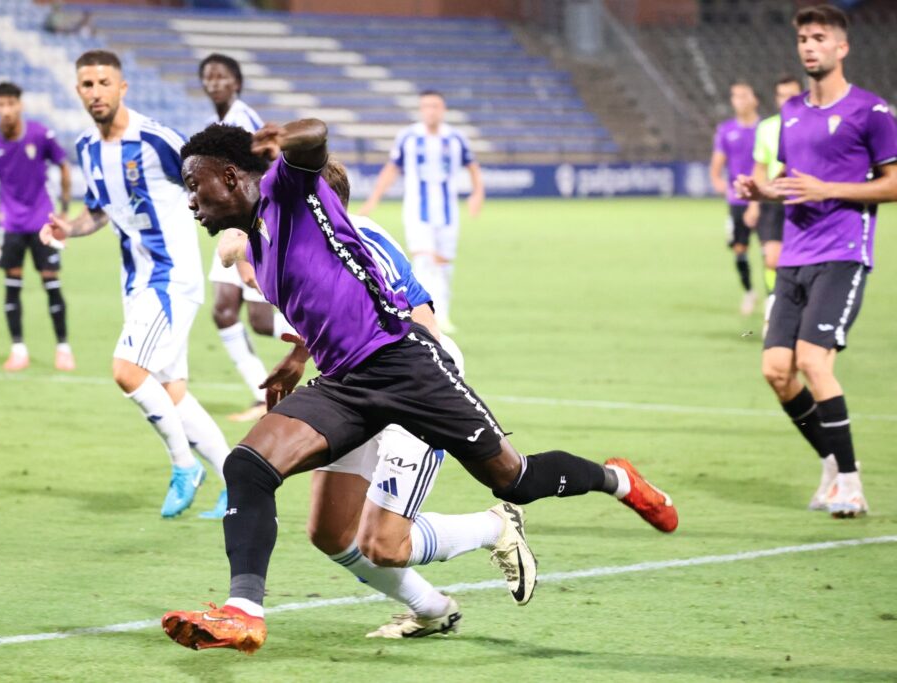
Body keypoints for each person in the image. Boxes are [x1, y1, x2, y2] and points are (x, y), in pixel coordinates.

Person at [160, 120, 678, 655]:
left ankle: (618, 480)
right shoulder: (262, 244)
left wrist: (286, 139)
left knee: (514, 480)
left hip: (405, 366)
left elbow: (314, 137)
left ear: (231, 176)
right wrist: (297, 359)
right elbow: (329, 297)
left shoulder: (287, 190)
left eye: (194, 186)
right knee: (249, 466)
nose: (191, 202)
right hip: (345, 383)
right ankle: (244, 613)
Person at [217, 156, 537, 638]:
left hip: (412, 387)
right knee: (330, 532)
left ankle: (496, 526)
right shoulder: (301, 245)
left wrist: (235, 240)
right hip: (353, 387)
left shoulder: (359, 238)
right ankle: (433, 609)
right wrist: (300, 356)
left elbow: (417, 321)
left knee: (385, 544)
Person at [38, 50, 232, 518]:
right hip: (136, 282)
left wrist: (235, 235)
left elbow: (213, 181)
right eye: (88, 84)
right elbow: (98, 212)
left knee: (127, 370)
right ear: (78, 90)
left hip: (171, 277)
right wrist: (69, 227)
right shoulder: (87, 147)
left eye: (104, 83)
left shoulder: (155, 139)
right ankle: (237, 483)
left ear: (122, 87)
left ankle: (184, 466)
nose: (96, 92)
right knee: (171, 390)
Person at [735, 4, 897, 518]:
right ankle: (831, 464)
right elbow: (792, 181)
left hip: (843, 253)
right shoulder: (792, 113)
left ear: (841, 47)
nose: (809, 45)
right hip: (795, 257)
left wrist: (829, 188)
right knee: (776, 371)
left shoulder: (872, 112)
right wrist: (763, 190)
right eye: (804, 38)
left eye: (819, 37)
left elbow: (893, 182)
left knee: (811, 360)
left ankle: (851, 484)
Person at [197, 53, 281, 427]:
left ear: (237, 83)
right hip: (233, 224)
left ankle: (318, 338)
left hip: (250, 225)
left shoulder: (242, 122)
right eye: (208, 76)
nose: (214, 82)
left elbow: (258, 178)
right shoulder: (224, 121)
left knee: (260, 320)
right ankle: (262, 396)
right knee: (224, 310)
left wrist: (248, 234)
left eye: (222, 76)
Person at [360, 90, 484, 334]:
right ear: (421, 110)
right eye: (426, 106)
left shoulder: (456, 138)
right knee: (424, 260)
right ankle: (425, 316)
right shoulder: (408, 137)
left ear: (443, 109)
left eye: (435, 106)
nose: (431, 111)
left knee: (444, 264)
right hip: (417, 211)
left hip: (448, 212)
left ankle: (443, 314)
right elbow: (391, 169)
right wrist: (373, 199)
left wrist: (477, 193)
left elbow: (472, 166)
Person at [0, 81, 73, 372]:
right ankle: (18, 350)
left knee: (51, 282)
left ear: (20, 105)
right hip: (10, 223)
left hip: (43, 221)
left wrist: (65, 209)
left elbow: (63, 165)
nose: (6, 110)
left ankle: (63, 348)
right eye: (0, 105)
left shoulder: (40, 134)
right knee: (12, 285)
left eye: (11, 104)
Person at [744, 74, 804, 330]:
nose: (787, 100)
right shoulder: (767, 127)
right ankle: (774, 302)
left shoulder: (811, 124)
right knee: (771, 259)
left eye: (792, 95)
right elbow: (760, 166)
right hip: (773, 201)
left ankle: (797, 309)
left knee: (801, 262)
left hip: (803, 199)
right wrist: (754, 202)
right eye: (782, 96)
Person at [710, 81, 761, 316]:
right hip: (738, 202)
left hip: (766, 200)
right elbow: (716, 169)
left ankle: (775, 297)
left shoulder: (766, 129)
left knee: (771, 252)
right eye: (735, 96)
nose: (739, 100)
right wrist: (724, 188)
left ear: (754, 99)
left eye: (744, 95)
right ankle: (749, 291)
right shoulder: (726, 130)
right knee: (740, 249)